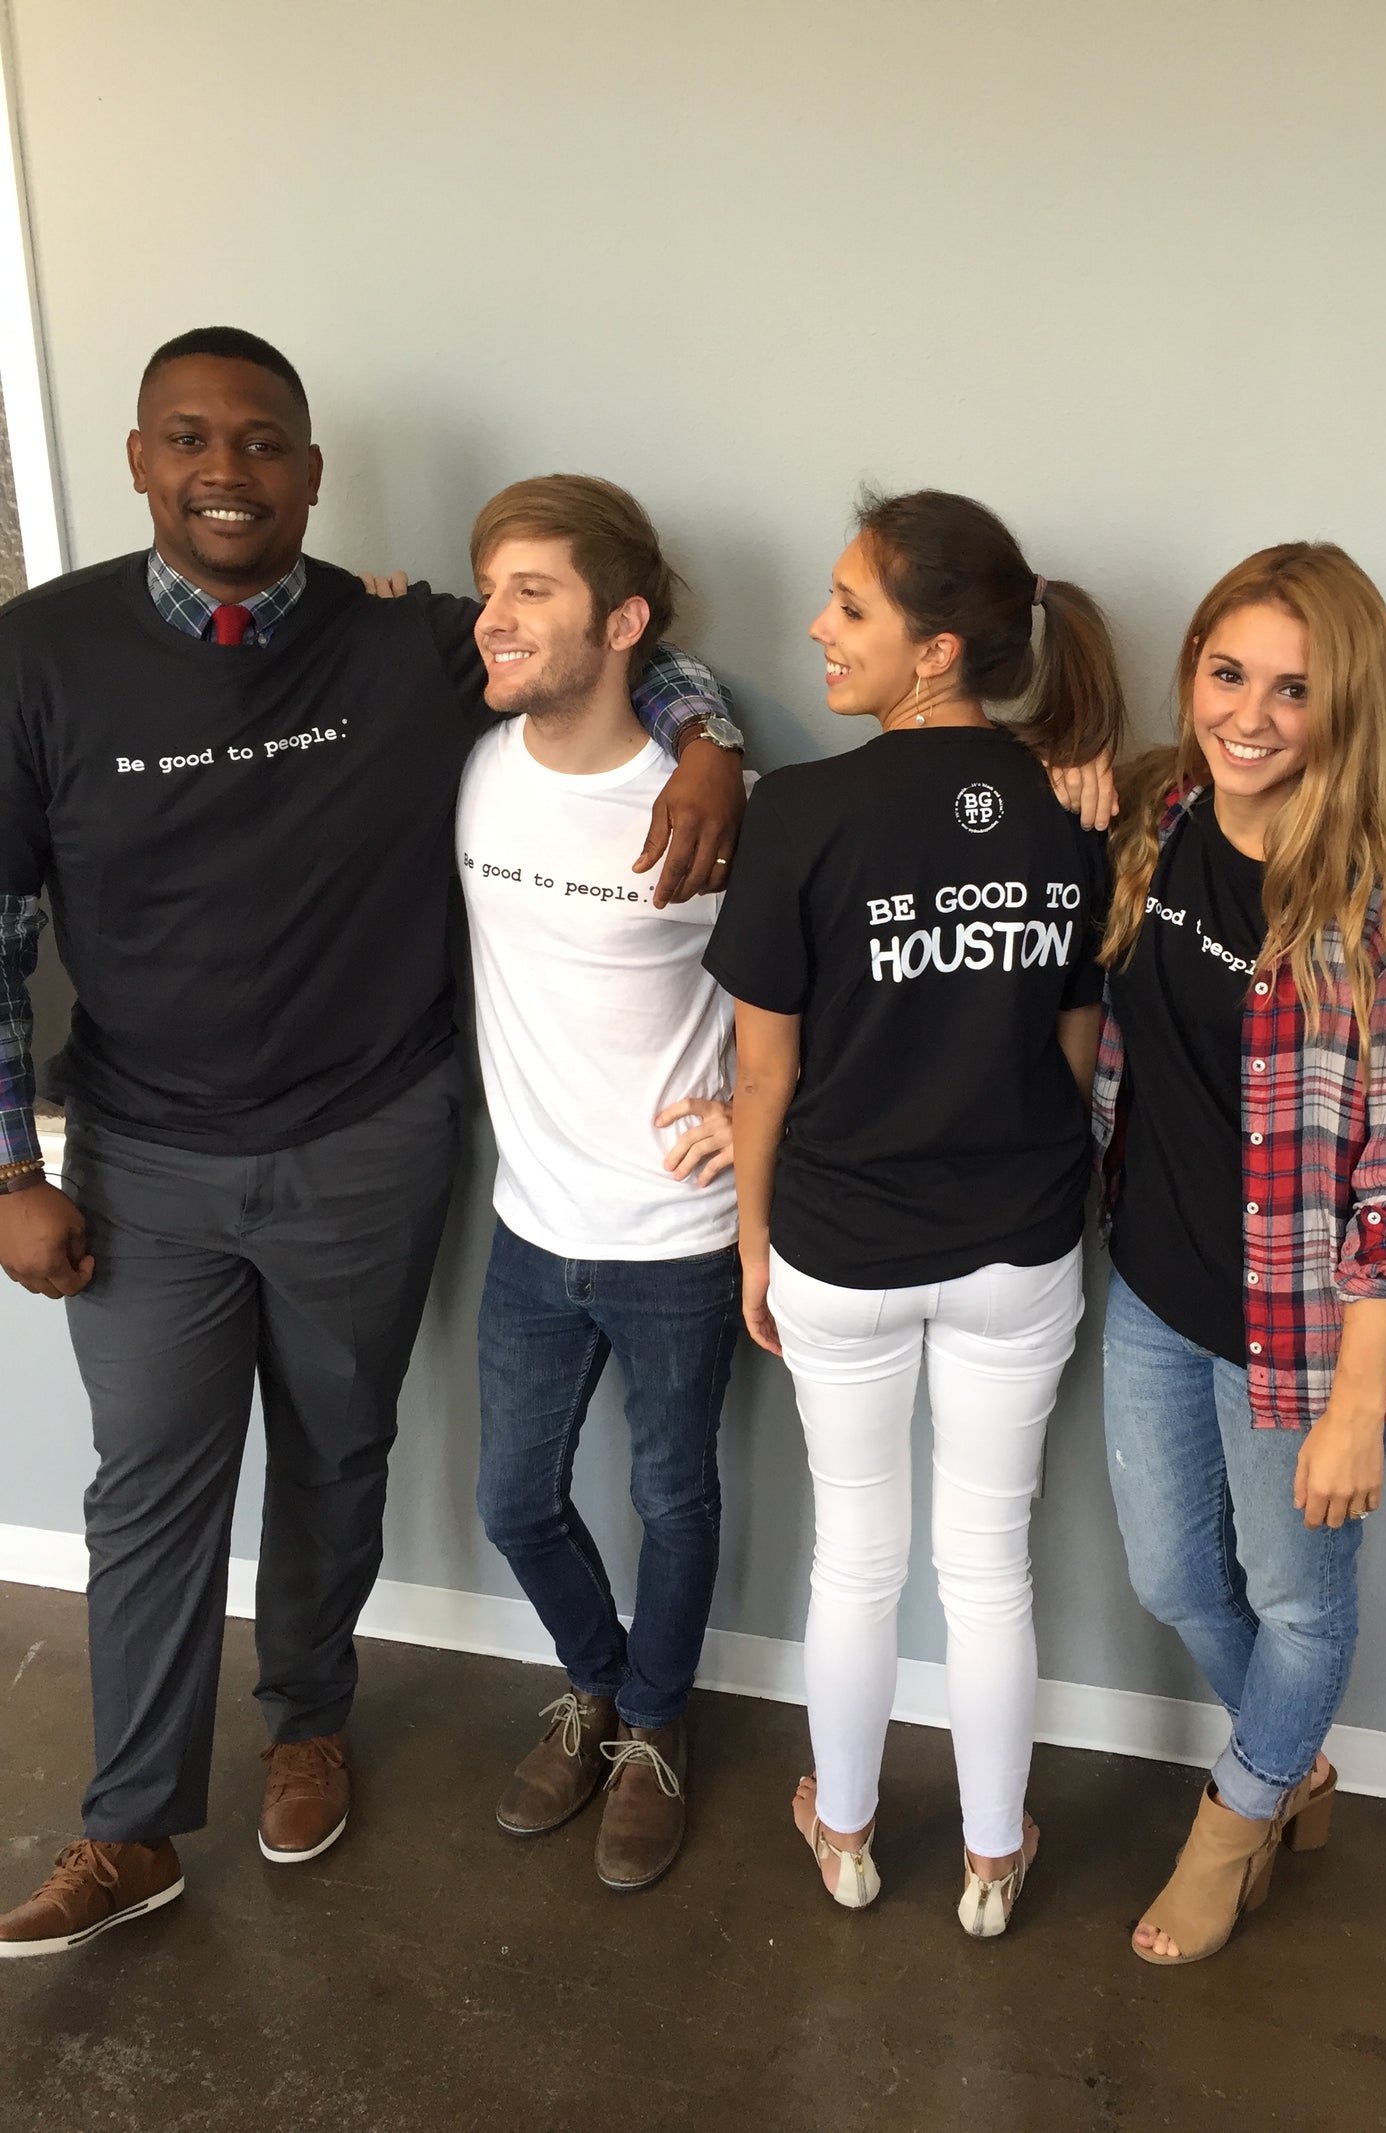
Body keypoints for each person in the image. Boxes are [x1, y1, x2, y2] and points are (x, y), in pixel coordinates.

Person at [0, 327, 746, 1958]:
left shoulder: (404, 640)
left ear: (311, 471)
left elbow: (607, 652)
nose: (224, 470)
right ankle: (129, 1828)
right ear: (137, 460)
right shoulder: (36, 656)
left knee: (340, 1455)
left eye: (262, 442)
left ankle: (309, 1721)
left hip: (369, 1140)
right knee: (150, 1491)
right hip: (147, 1159)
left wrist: (711, 742)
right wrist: (8, 1168)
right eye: (188, 438)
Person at [705, 489, 1122, 1937]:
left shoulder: (803, 813)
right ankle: (994, 1861)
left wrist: (753, 1244)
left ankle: (850, 1831)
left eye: (853, 607)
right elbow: (1073, 1047)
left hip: (844, 1250)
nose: (819, 628)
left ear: (937, 650)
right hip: (1022, 1240)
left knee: (859, 1556)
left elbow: (765, 1071)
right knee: (987, 1559)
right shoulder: (1075, 806)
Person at [1093, 542, 1386, 1965]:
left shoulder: (1379, 921)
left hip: (1300, 1333)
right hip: (1153, 1283)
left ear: (1345, 709)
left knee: (1301, 1592)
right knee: (1176, 1577)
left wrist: (1359, 1402)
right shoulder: (1159, 810)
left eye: (1292, 689)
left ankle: (1232, 1822)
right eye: (1226, 671)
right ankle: (1292, 1759)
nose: (1247, 713)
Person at [459, 475, 747, 1891]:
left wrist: (760, 1120)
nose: (495, 616)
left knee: (673, 1497)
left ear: (621, 619)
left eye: (534, 590)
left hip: (680, 1236)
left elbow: (807, 994)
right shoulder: (464, 757)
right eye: (488, 584)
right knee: (512, 1497)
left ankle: (652, 1725)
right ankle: (598, 1678)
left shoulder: (704, 800)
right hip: (527, 1228)